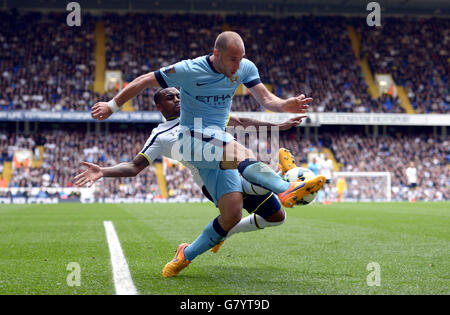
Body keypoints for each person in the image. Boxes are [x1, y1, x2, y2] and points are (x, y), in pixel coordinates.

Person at [91, 31, 326, 277]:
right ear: (216, 54)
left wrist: (283, 107)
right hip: (192, 139)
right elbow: (143, 80)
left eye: (241, 58)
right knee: (240, 151)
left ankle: (185, 255)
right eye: (233, 59)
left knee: (232, 215)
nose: (238, 66)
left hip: (217, 144)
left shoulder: (244, 68)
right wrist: (111, 106)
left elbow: (265, 99)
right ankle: (285, 184)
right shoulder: (189, 70)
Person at [76, 87, 304, 256]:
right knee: (240, 183)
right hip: (212, 179)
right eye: (169, 98)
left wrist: (279, 125)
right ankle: (285, 181)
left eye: (178, 96)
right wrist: (103, 171)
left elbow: (240, 120)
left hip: (238, 164)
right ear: (158, 106)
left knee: (277, 218)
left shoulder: (201, 113)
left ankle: (233, 226)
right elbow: (135, 166)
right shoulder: (160, 135)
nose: (176, 100)